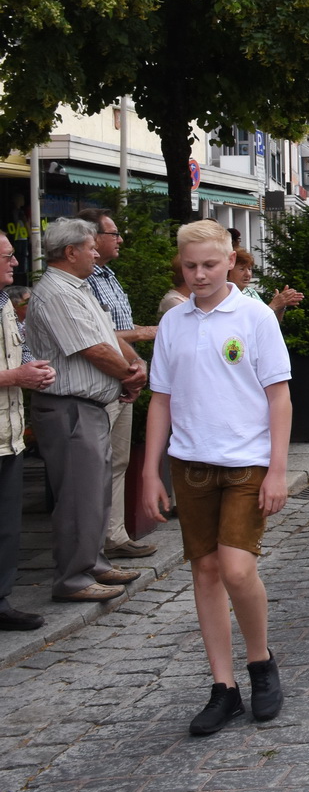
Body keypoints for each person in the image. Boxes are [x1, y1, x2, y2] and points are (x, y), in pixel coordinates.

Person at [138, 221, 290, 736]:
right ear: (180, 267)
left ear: (230, 262)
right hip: (192, 463)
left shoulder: (254, 318)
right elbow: (161, 399)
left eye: (209, 264)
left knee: (237, 570)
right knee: (204, 571)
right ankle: (222, 687)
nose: (199, 274)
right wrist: (149, 472)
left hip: (247, 463)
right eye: (190, 266)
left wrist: (278, 470)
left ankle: (260, 661)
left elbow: (279, 397)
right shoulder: (174, 324)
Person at [28, 218, 150, 603]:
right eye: (90, 246)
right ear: (70, 252)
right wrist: (130, 377)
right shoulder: (56, 294)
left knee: (95, 491)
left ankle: (93, 562)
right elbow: (92, 350)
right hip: (70, 407)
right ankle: (73, 577)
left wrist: (135, 366)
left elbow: (109, 336)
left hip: (89, 406)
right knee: (79, 495)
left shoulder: (77, 288)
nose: (96, 251)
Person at [75, 208, 162, 563]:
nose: (119, 239)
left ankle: (114, 535)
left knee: (118, 459)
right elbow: (99, 335)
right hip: (101, 381)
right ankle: (90, 548)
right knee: (95, 464)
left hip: (124, 378)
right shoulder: (83, 281)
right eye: (112, 233)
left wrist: (135, 364)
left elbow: (115, 330)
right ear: (92, 238)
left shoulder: (107, 275)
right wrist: (141, 335)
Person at [0, 235, 55, 631]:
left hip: (9, 435)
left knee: (7, 527)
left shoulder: (4, 304)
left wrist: (34, 369)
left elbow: (16, 354)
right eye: (7, 257)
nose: (16, 263)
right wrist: (14, 376)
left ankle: (1, 602)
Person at [229, 248, 304, 319]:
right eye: (242, 269)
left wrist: (280, 307)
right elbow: (249, 324)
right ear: (228, 271)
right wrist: (273, 306)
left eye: (249, 269)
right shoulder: (224, 295)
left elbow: (269, 323)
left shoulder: (251, 292)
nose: (248, 274)